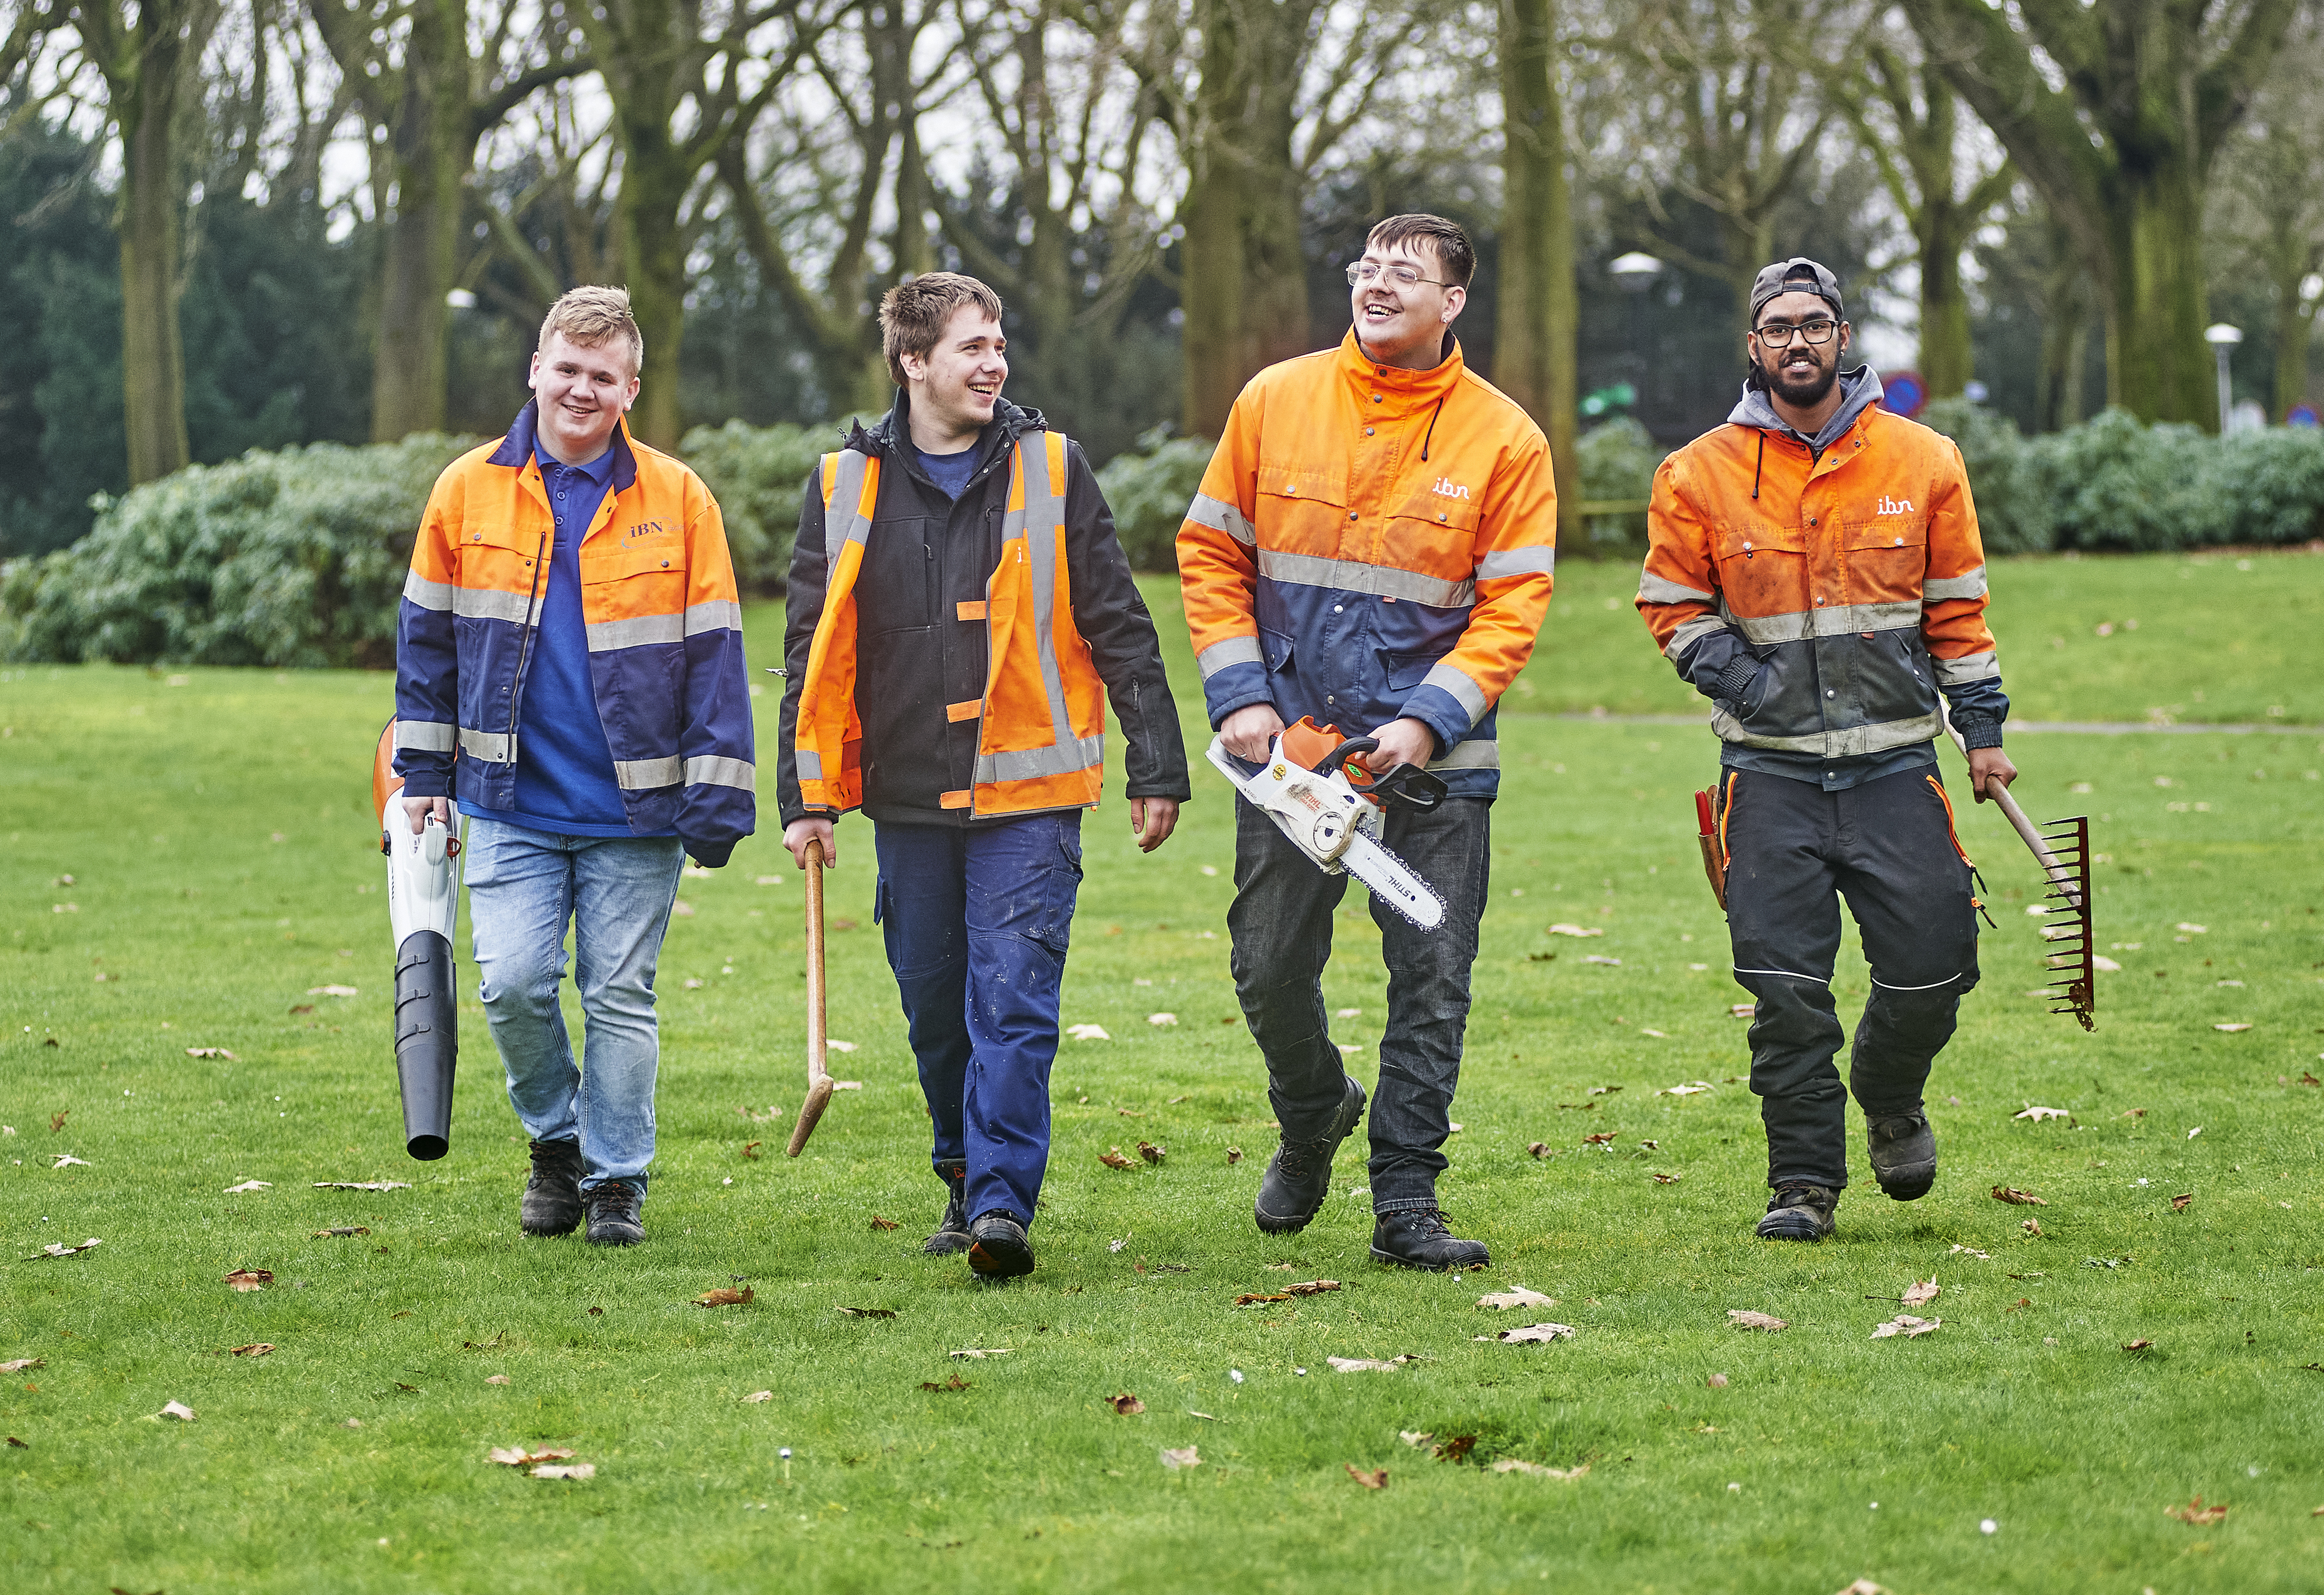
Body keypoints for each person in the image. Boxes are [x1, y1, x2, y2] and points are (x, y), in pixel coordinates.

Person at [775, 272, 1189, 1280]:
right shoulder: (842, 485)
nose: (993, 361)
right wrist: (807, 795)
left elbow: (1117, 621)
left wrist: (1157, 763)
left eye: (997, 342)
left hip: (1029, 797)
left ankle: (1003, 1204)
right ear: (913, 361)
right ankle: (961, 1177)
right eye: (970, 346)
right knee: (932, 1001)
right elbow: (809, 650)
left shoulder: (1054, 468)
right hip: (908, 797)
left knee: (1011, 998)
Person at [1176, 215, 1558, 1271]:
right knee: (1266, 966)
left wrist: (1427, 722)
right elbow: (1209, 552)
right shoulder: (1273, 400)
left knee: (1431, 973)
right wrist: (1240, 695)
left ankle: (1405, 1199)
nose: (1377, 285)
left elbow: (1512, 603)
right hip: (1293, 753)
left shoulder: (1505, 439)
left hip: (1437, 767)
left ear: (1453, 302)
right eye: (1366, 269)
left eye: (1405, 273)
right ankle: (1312, 1114)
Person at [1635, 256, 2016, 1242]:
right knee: (1786, 992)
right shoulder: (1696, 472)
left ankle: (1888, 1092)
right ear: (1752, 347)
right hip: (1767, 777)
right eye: (1776, 328)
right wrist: (1748, 682)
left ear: (1843, 340)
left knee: (1937, 964)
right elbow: (1669, 605)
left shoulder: (1924, 461)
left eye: (1813, 325)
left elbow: (1956, 613)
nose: (1795, 342)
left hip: (1896, 767)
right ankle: (1802, 1184)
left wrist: (1981, 735)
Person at [392, 285, 754, 1247]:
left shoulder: (679, 499)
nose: (581, 389)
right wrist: (423, 777)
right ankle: (556, 1142)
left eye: (604, 376)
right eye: (567, 369)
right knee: (510, 984)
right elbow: (425, 645)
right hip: (507, 798)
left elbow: (717, 654)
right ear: (535, 370)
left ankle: (616, 1180)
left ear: (630, 388)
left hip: (640, 808)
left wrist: (717, 799)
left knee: (617, 994)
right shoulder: (464, 490)